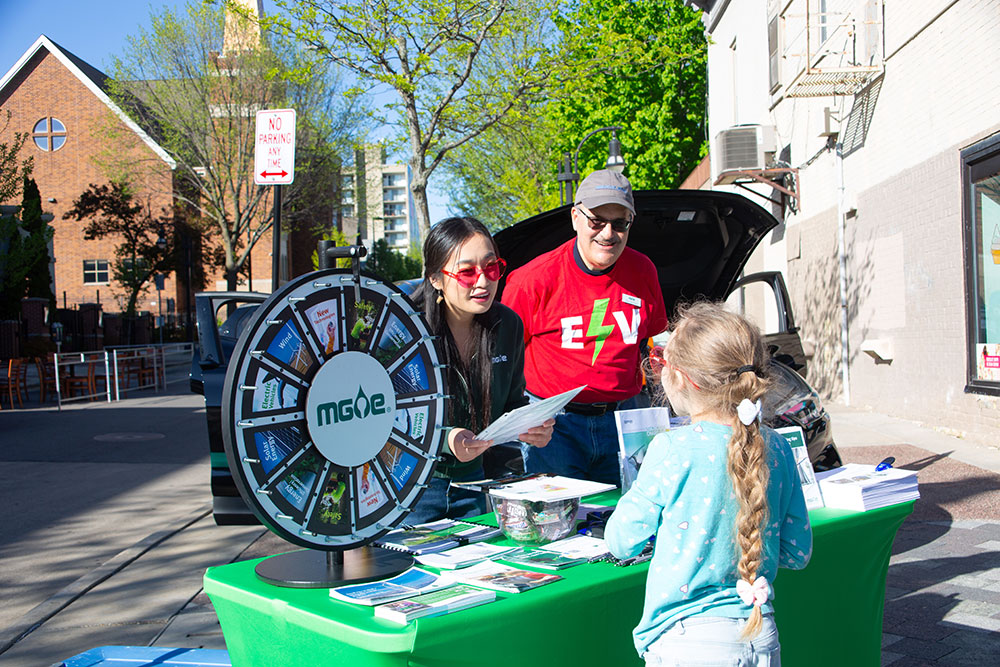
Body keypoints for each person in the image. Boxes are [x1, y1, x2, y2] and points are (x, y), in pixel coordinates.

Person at [605, 301, 812, 666]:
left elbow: (622, 542)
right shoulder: (777, 447)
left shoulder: (672, 448)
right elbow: (797, 553)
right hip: (761, 633)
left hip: (689, 641)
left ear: (681, 377)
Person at [502, 169, 668, 484]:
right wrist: (514, 416)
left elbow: (653, 342)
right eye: (597, 221)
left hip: (626, 419)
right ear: (576, 217)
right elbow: (501, 360)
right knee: (557, 525)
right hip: (555, 427)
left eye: (619, 224)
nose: (608, 234)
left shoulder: (643, 271)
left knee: (628, 518)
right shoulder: (533, 279)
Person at [407, 216, 553, 525]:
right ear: (435, 278)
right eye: (467, 272)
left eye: (491, 267)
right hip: (411, 486)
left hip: (475, 483)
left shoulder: (507, 325)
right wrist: (445, 438)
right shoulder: (405, 331)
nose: (483, 281)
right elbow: (386, 419)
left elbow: (513, 403)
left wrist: (531, 426)